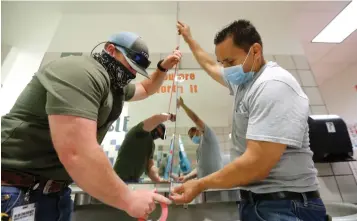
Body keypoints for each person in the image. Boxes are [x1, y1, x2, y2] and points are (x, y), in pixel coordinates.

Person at [1, 31, 182, 221]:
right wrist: (129, 199)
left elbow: (146, 88)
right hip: (13, 190)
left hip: (55, 194)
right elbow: (77, 152)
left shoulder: (114, 87)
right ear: (110, 50)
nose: (132, 73)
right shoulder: (81, 72)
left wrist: (162, 68)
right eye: (130, 64)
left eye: (136, 69)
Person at [171, 20, 327, 221]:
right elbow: (209, 64)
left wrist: (200, 184)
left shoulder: (272, 85)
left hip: (285, 206)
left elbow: (256, 165)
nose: (226, 69)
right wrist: (189, 38)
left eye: (230, 62)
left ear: (255, 51)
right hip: (258, 203)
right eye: (223, 63)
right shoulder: (243, 82)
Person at [113, 113, 176, 183]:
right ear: (154, 126)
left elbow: (150, 166)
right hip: (119, 178)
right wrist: (170, 116)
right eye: (158, 132)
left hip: (134, 181)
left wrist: (159, 180)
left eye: (159, 135)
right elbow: (156, 118)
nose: (157, 135)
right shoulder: (138, 131)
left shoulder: (151, 145)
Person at [176, 97, 223, 183]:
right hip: (204, 186)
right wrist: (186, 177)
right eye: (190, 137)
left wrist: (183, 105)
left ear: (198, 130)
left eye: (192, 135)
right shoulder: (200, 148)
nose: (192, 138)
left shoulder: (209, 136)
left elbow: (196, 119)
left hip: (215, 185)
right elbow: (200, 168)